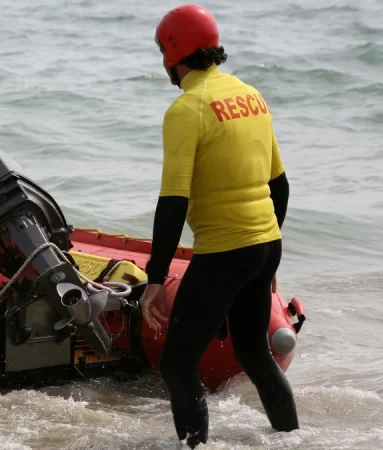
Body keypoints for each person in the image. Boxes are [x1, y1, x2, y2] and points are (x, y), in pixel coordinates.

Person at [138, 4, 299, 448]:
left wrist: (155, 278)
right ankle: (292, 440)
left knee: (177, 364)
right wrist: (267, 252)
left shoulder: (187, 108)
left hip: (225, 253)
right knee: (254, 351)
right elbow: (280, 185)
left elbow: (173, 201)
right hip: (265, 244)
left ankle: (195, 446)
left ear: (173, 52)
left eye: (163, 51)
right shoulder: (251, 96)